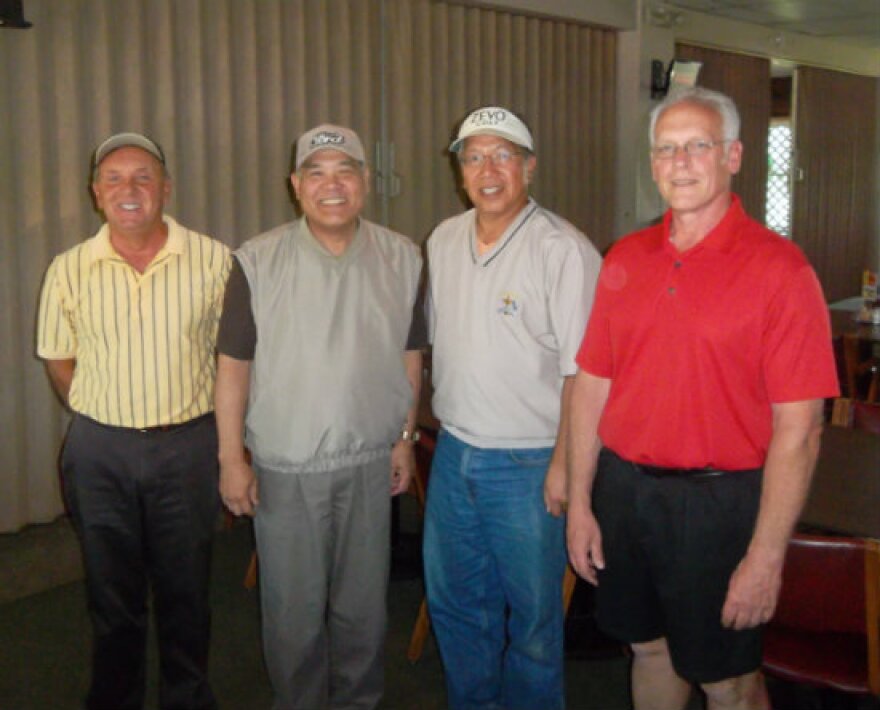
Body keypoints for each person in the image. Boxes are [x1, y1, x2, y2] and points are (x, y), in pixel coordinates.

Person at [566, 87, 840, 710]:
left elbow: (801, 431)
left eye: (698, 146)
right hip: (626, 493)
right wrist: (582, 502)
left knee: (727, 679)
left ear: (734, 156)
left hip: (721, 506)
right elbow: (592, 388)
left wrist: (766, 557)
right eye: (666, 148)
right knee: (648, 649)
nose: (680, 162)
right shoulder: (626, 258)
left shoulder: (782, 271)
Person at [214, 124, 423, 710]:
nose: (332, 185)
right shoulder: (257, 260)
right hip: (289, 465)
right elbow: (233, 367)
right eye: (317, 172)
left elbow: (410, 355)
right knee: (293, 612)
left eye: (346, 170)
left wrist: (405, 440)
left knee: (363, 611)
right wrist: (233, 459)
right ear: (295, 185)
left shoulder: (402, 256)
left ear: (366, 180)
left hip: (368, 462)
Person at [36, 132, 231, 709]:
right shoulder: (68, 269)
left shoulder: (214, 259)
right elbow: (56, 355)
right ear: (97, 194)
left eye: (143, 177)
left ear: (166, 189)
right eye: (115, 179)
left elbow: (233, 358)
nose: (130, 190)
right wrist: (106, 409)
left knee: (186, 591)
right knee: (111, 594)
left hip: (188, 448)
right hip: (100, 455)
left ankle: (186, 696)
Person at [423, 106, 602, 709]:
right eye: (473, 157)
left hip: (528, 465)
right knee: (456, 608)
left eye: (502, 155)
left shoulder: (563, 249)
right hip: (453, 456)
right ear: (460, 171)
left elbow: (585, 375)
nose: (487, 169)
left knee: (531, 624)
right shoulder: (443, 240)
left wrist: (564, 469)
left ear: (529, 166)